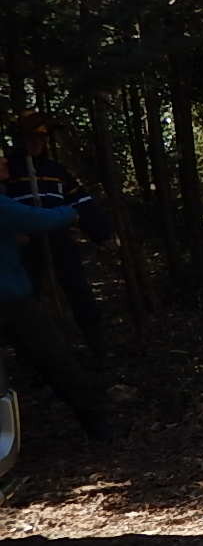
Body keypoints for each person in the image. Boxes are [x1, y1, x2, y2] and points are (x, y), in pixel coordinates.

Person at [0, 153, 111, 440]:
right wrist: (70, 213)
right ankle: (96, 422)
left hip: (15, 291)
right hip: (11, 300)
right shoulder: (3, 202)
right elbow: (36, 219)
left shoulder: (48, 172)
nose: (5, 162)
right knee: (55, 358)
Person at [5, 111, 115, 361]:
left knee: (78, 290)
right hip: (24, 246)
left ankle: (98, 350)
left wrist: (102, 233)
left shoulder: (56, 171)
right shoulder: (7, 171)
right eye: (31, 138)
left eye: (42, 138)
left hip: (58, 239)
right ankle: (37, 359)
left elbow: (81, 202)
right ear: (19, 139)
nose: (37, 143)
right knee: (27, 300)